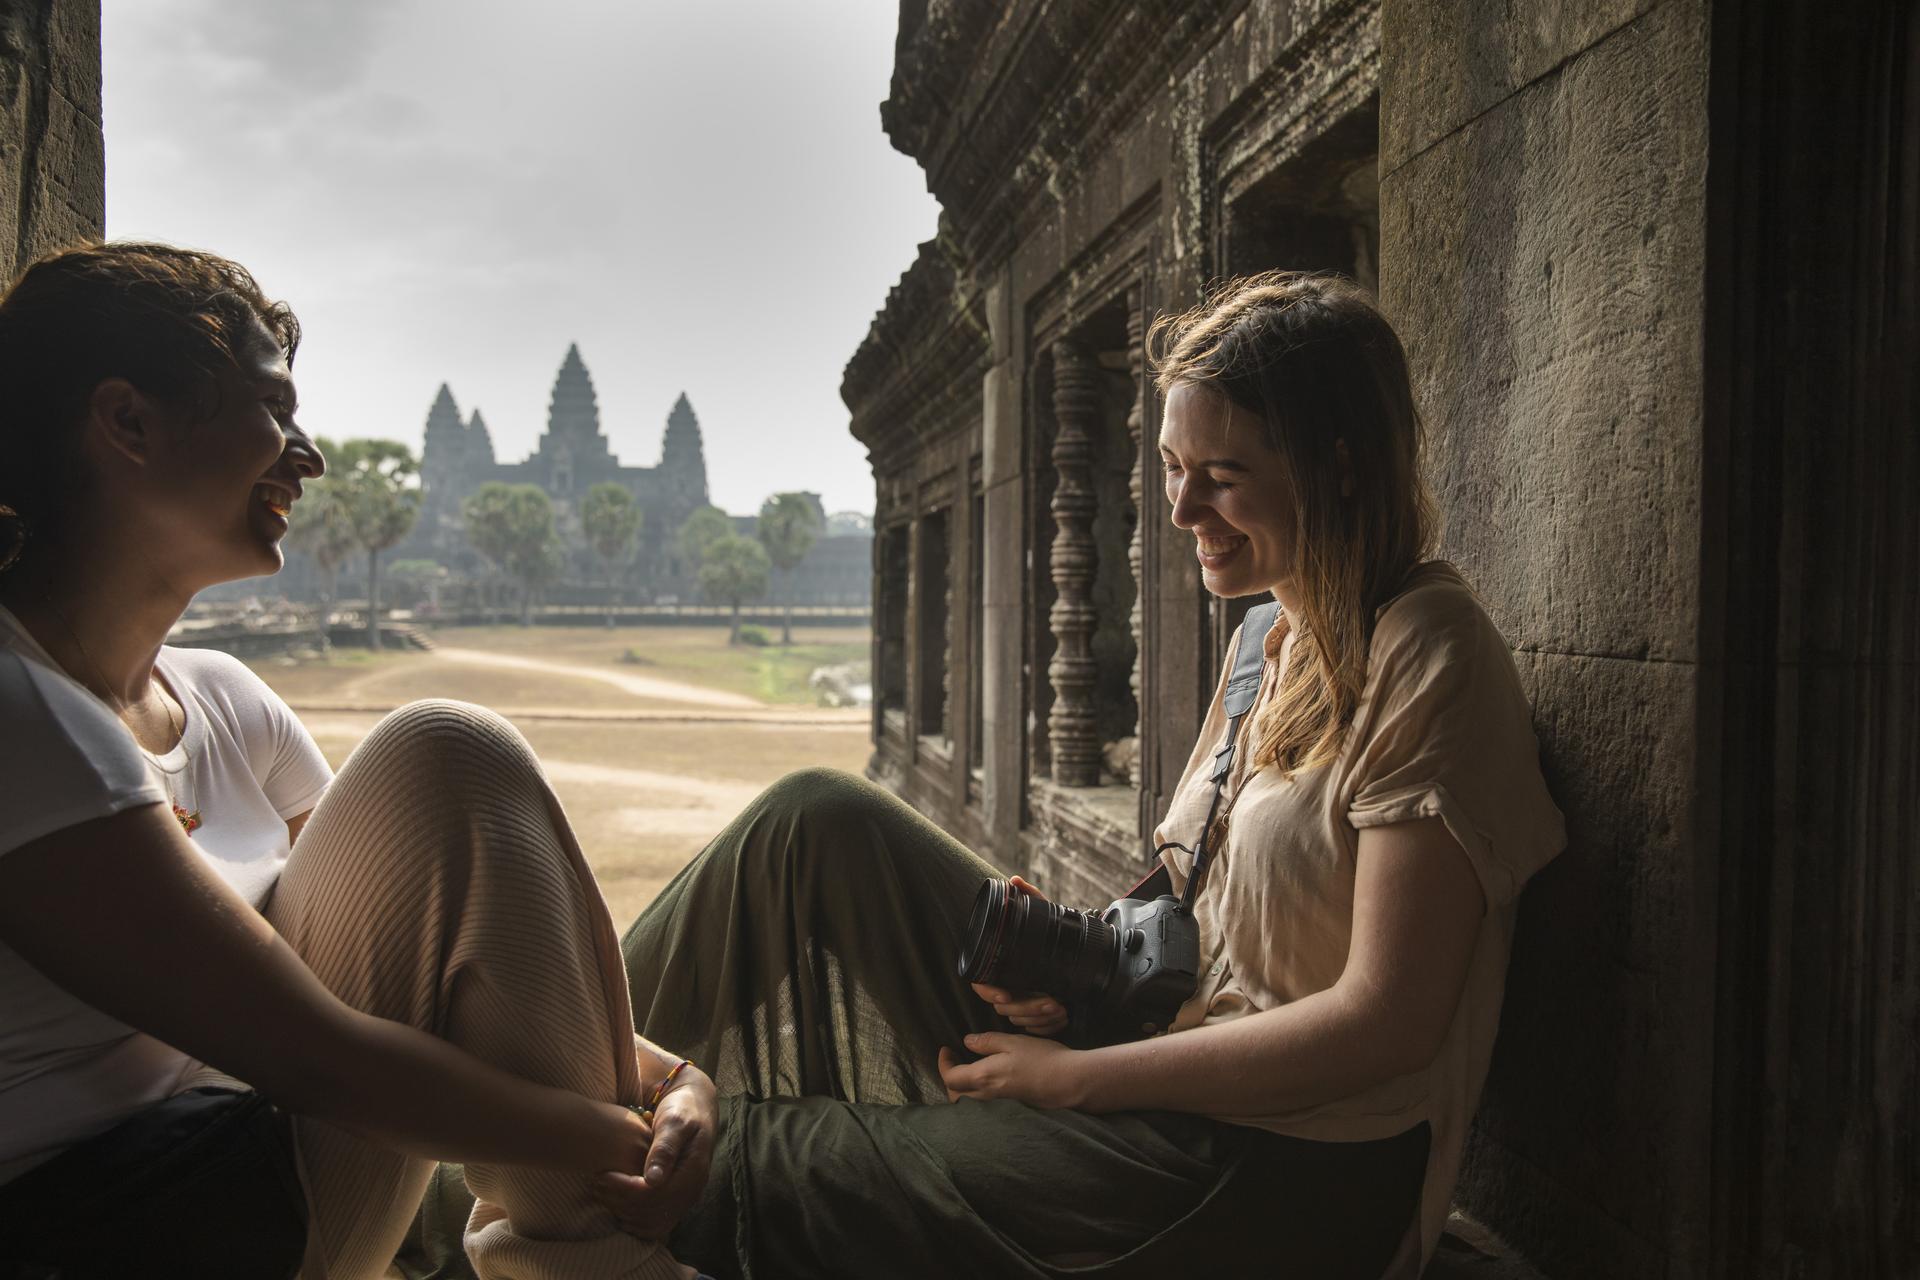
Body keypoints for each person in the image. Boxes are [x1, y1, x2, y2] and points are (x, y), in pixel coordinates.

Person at [589, 271, 1561, 1280]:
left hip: (1277, 1165)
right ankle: (553, 1067)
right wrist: (1073, 988)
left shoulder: (1429, 652)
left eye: (1222, 475)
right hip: (1154, 1056)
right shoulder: (1267, 640)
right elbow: (1196, 910)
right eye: (1173, 467)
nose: (1181, 508)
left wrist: (1079, 1080)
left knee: (739, 1157)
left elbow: (1386, 1024)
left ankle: (537, 1162)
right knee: (814, 821)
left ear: (1341, 466)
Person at [0, 242, 717, 1280]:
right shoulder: (18, 714)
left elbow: (441, 931)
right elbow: (321, 1061)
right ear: (129, 423)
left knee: (444, 764)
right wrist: (615, 1135)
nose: (309, 456)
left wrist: (673, 1080)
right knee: (446, 748)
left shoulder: (224, 699)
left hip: (262, 1171)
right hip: (120, 1225)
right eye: (272, 408)